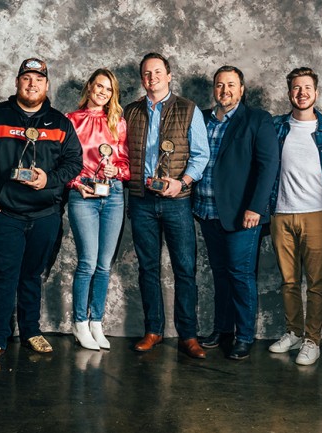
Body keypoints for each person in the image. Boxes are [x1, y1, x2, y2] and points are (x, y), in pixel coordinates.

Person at [0, 58, 83, 364]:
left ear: (47, 85)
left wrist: (50, 181)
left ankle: (31, 330)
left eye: (39, 80)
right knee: (4, 275)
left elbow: (74, 161)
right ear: (17, 82)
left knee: (31, 275)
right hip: (3, 213)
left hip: (44, 215)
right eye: (27, 78)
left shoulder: (59, 123)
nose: (32, 84)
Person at [125, 52, 210, 359]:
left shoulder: (188, 109)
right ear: (142, 79)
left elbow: (201, 154)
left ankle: (188, 335)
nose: (152, 78)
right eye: (147, 73)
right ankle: (153, 330)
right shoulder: (129, 111)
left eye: (158, 72)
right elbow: (120, 154)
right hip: (142, 200)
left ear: (169, 75)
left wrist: (182, 182)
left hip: (177, 201)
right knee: (147, 268)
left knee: (184, 269)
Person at [194, 66, 279, 360]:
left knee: (240, 275)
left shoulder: (257, 120)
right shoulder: (201, 119)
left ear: (242, 89)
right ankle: (222, 329)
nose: (224, 90)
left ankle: (243, 336)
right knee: (219, 275)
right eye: (219, 85)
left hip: (242, 214)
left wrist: (255, 207)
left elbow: (268, 167)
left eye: (231, 85)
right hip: (206, 211)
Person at [268, 67, 322, 365]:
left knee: (315, 282)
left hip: (315, 215)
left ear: (316, 92)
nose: (302, 93)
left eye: (307, 88)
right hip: (281, 214)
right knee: (288, 281)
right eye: (296, 88)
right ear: (289, 92)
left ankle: (313, 340)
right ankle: (294, 332)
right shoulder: (276, 126)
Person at [65, 68, 130, 351]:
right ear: (89, 87)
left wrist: (118, 169)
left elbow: (126, 165)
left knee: (104, 265)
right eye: (99, 86)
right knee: (88, 263)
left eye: (109, 89)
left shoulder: (118, 122)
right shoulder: (70, 120)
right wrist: (77, 183)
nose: (102, 92)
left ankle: (96, 322)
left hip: (113, 194)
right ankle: (79, 322)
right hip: (84, 194)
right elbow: (63, 163)